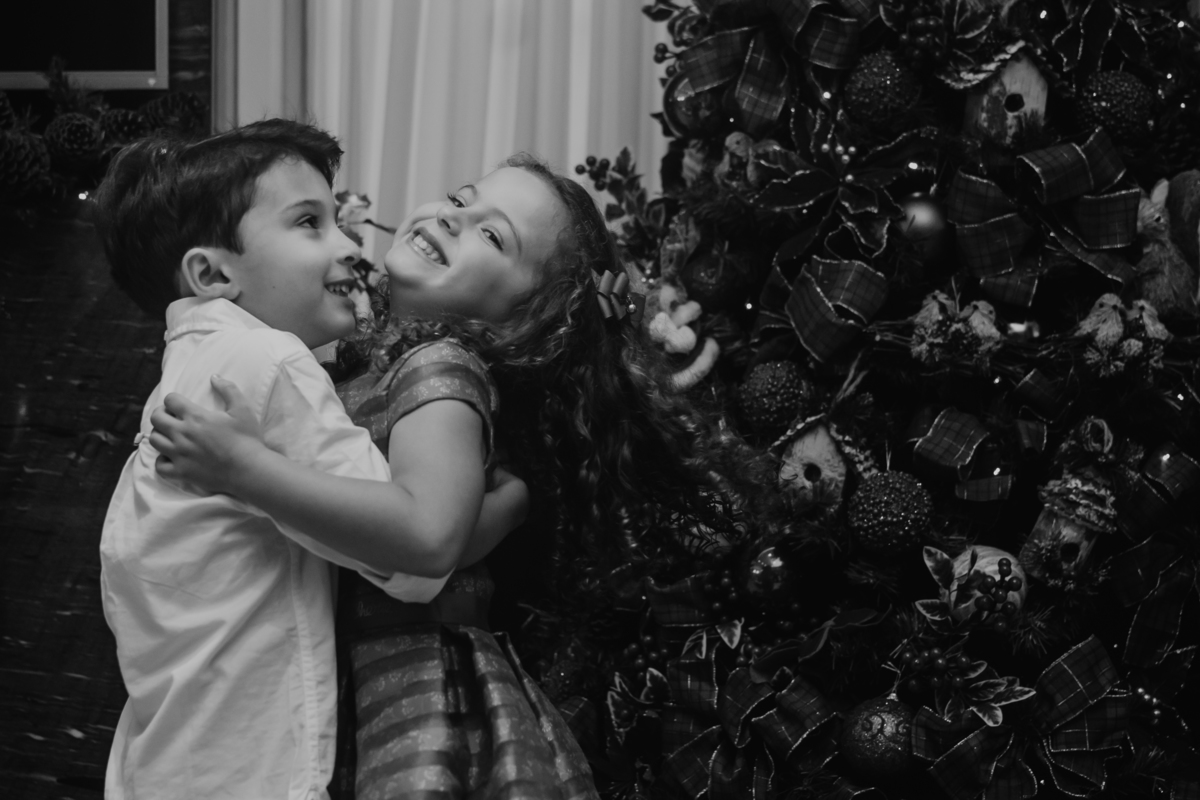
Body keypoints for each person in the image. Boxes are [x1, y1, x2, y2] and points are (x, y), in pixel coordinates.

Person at [151, 154, 781, 799]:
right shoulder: (364, 361)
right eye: (460, 199)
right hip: (338, 671)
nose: (454, 218)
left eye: (492, 235)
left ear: (528, 312)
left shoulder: (439, 368)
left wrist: (245, 470)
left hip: (412, 688)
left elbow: (428, 536)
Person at [94, 119, 528, 800]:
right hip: (253, 770)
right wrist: (510, 502)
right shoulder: (267, 362)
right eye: (308, 224)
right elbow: (416, 555)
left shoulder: (186, 375)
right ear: (213, 274)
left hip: (160, 763)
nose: (352, 246)